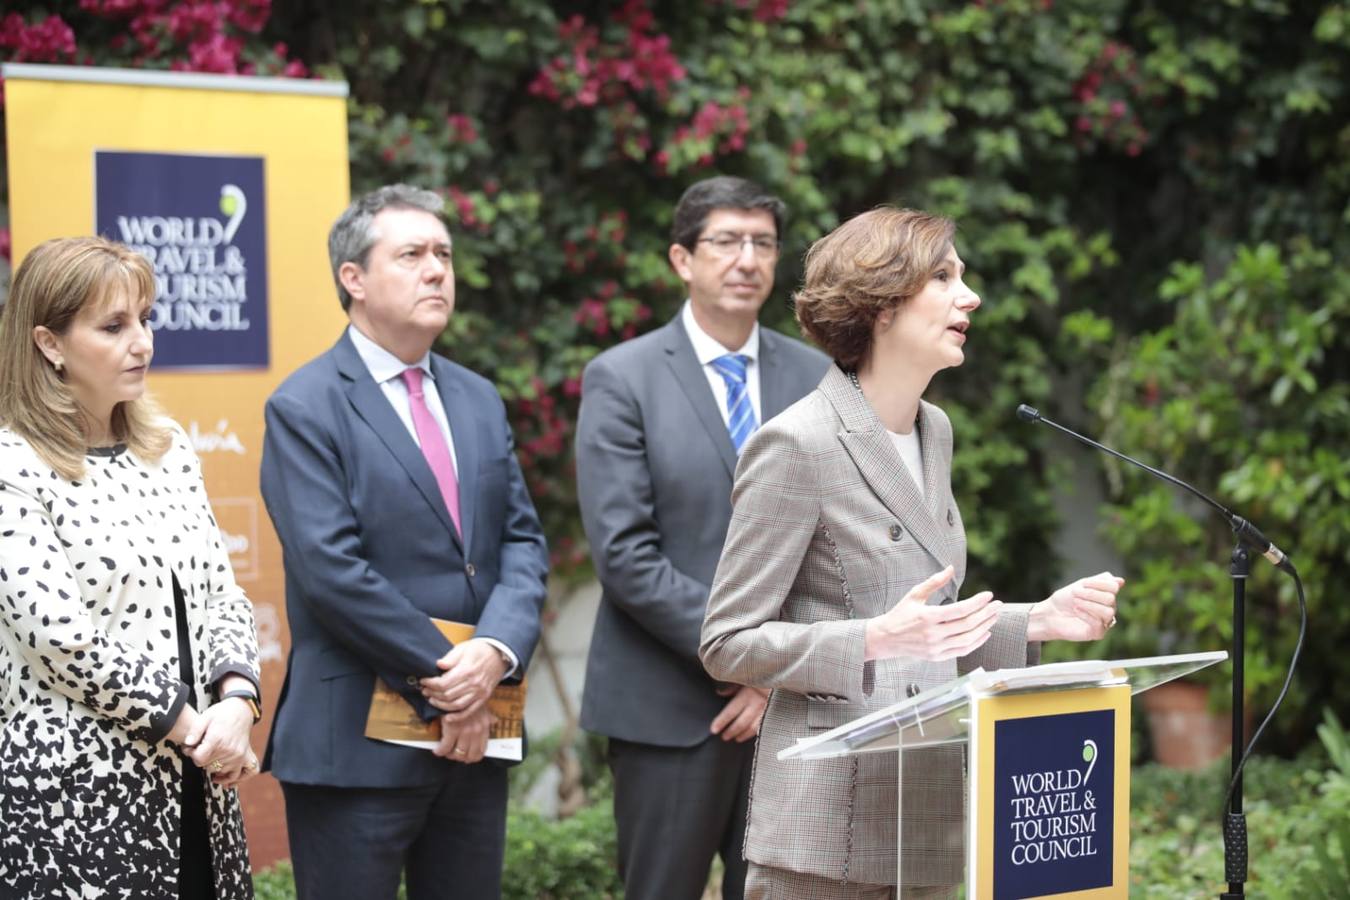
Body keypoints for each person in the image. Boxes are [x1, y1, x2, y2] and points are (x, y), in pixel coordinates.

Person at [699, 207, 1125, 899]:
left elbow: (930, 623)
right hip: (826, 837)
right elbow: (727, 642)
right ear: (883, 305)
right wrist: (872, 639)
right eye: (943, 275)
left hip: (926, 816)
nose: (971, 295)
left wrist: (1037, 621)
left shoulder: (936, 431)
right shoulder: (797, 444)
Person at [260, 184, 549, 900]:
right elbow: (332, 571)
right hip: (357, 745)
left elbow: (520, 542)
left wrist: (495, 655)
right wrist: (452, 682)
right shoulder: (306, 405)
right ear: (352, 279)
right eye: (413, 254)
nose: (436, 271)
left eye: (444, 255)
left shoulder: (477, 396)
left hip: (476, 740)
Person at [576, 175, 830, 900]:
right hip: (670, 706)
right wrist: (743, 660)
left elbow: (835, 545)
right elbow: (626, 557)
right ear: (682, 260)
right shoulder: (621, 379)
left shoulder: (816, 377)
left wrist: (774, 674)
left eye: (763, 243)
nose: (746, 259)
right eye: (726, 241)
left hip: (789, 707)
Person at [0, 236, 262, 900]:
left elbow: (223, 597)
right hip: (75, 799)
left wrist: (236, 700)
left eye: (145, 319)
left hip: (198, 787)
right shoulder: (12, 465)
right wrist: (191, 725)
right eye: (114, 326)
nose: (142, 342)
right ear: (49, 344)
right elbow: (59, 636)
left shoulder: (168, 449)